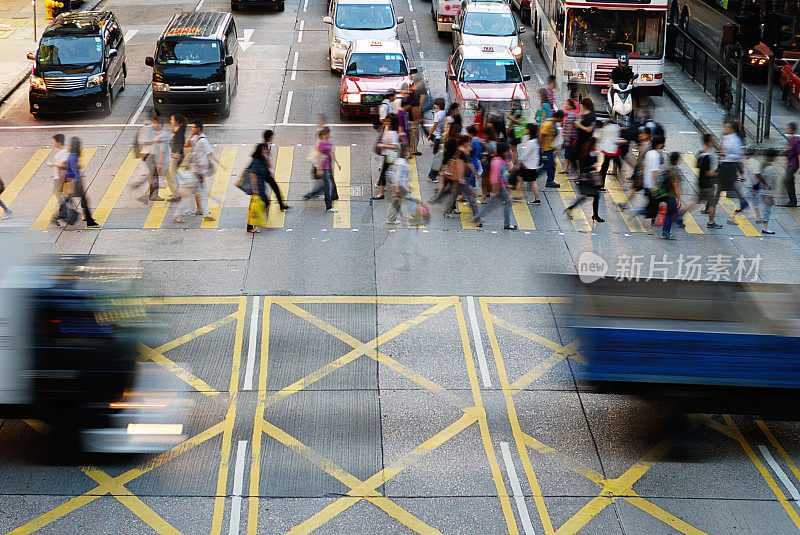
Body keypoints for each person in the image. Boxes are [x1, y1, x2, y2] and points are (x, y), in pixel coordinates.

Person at [678, 134, 722, 229]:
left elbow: (696, 165)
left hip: (700, 182)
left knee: (696, 201)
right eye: (712, 141)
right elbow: (708, 173)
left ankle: (680, 214)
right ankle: (711, 222)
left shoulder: (700, 153)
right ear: (709, 142)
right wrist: (717, 174)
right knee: (712, 203)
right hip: (707, 184)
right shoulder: (707, 157)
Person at [180, 120, 219, 222]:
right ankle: (199, 210)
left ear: (199, 128)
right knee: (196, 191)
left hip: (199, 171)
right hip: (194, 169)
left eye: (193, 127)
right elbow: (186, 144)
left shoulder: (203, 140)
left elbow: (210, 153)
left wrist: (220, 164)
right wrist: (190, 134)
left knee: (198, 190)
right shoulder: (195, 138)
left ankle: (202, 211)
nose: (192, 129)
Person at [472, 142, 518, 229]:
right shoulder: (496, 162)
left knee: (492, 205)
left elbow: (505, 174)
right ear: (502, 151)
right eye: (507, 151)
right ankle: (507, 224)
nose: (508, 152)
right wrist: (495, 189)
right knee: (507, 203)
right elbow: (494, 177)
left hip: (503, 186)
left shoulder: (503, 160)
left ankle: (477, 217)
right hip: (500, 187)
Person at [566, 137, 604, 223]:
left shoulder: (586, 153)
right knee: (593, 196)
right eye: (595, 144)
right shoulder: (589, 154)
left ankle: (571, 208)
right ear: (592, 145)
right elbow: (586, 166)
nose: (596, 146)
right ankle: (595, 215)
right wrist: (592, 168)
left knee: (590, 196)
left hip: (587, 178)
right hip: (589, 179)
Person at [63, 137, 98, 228]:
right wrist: (77, 176)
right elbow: (72, 170)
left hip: (74, 182)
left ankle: (86, 217)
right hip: (76, 183)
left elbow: (68, 166)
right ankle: (90, 222)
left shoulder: (72, 155)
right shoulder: (73, 156)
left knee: (81, 200)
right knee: (85, 201)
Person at [303, 127, 341, 212]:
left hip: (328, 166)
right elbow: (319, 157)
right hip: (323, 168)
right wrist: (319, 169)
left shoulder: (329, 141)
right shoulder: (321, 144)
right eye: (328, 134)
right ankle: (329, 206)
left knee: (327, 185)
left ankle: (321, 198)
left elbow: (331, 152)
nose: (329, 135)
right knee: (327, 186)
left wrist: (337, 162)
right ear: (325, 134)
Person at [717, 120, 747, 215]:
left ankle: (710, 206)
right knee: (727, 186)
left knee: (720, 186)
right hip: (724, 165)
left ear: (730, 129)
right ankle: (743, 202)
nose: (724, 129)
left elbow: (738, 155)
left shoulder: (735, 140)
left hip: (729, 166)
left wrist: (725, 155)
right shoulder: (725, 138)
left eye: (726, 127)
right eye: (724, 127)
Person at [619, 128, 651, 211]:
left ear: (647, 135)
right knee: (638, 189)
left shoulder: (648, 146)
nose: (640, 135)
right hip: (641, 171)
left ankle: (653, 210)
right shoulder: (644, 144)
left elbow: (647, 160)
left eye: (642, 134)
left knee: (641, 190)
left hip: (644, 172)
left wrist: (643, 172)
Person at [373, 114, 400, 200]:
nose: (386, 122)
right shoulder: (387, 129)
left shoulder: (393, 133)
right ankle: (382, 192)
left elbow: (394, 146)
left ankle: (381, 193)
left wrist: (383, 145)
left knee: (384, 174)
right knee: (385, 173)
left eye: (388, 121)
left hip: (389, 155)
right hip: (385, 154)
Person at [515, 123, 542, 204]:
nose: (525, 130)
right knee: (527, 180)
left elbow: (524, 155)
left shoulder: (531, 142)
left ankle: (518, 196)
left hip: (528, 165)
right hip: (533, 165)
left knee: (523, 179)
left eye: (526, 129)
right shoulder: (536, 141)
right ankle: (536, 199)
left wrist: (519, 161)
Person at [386, 144, 413, 224]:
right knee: (397, 201)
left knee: (397, 201)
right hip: (399, 186)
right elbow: (398, 176)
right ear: (404, 152)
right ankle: (391, 218)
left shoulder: (399, 160)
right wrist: (397, 188)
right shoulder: (401, 162)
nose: (409, 152)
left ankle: (393, 218)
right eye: (408, 151)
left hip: (400, 185)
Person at [659, 152, 683, 240]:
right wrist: (679, 199)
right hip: (671, 196)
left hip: (665, 194)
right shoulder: (674, 172)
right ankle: (666, 232)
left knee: (672, 212)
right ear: (676, 161)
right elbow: (675, 186)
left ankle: (677, 220)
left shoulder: (668, 168)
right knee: (670, 214)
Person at [538, 110, 564, 189]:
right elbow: (541, 136)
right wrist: (541, 148)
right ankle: (533, 176)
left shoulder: (552, 123)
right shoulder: (548, 124)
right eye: (562, 118)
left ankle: (550, 181)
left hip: (549, 148)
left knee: (551, 165)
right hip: (545, 150)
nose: (562, 120)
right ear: (559, 117)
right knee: (548, 165)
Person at [47, 133, 68, 223]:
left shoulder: (63, 152)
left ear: (59, 142)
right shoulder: (60, 151)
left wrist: (53, 164)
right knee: (57, 193)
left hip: (59, 177)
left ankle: (63, 212)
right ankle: (62, 211)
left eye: (54, 141)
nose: (53, 143)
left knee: (58, 193)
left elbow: (64, 165)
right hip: (57, 176)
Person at [165, 115, 186, 202]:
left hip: (177, 155)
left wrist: (178, 154)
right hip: (174, 154)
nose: (171, 121)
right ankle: (176, 192)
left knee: (171, 174)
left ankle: (176, 194)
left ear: (177, 121)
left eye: (172, 119)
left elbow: (181, 144)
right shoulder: (176, 130)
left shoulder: (180, 131)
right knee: (173, 174)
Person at [597, 119, 622, 190]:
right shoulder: (615, 128)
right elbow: (615, 140)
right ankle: (620, 173)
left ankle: (600, 185)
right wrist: (622, 141)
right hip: (613, 151)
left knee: (604, 168)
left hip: (607, 151)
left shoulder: (605, 129)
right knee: (617, 163)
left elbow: (601, 139)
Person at [759, 149, 779, 234]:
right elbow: (770, 183)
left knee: (766, 209)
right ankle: (765, 227)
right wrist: (772, 195)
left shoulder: (763, 165)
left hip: (762, 191)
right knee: (768, 210)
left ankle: (765, 226)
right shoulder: (770, 168)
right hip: (767, 192)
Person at [782, 121, 800, 207]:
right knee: (789, 181)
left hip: (794, 164)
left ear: (792, 130)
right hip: (790, 163)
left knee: (787, 180)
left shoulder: (796, 141)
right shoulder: (791, 140)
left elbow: (799, 154)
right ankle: (793, 201)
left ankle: (792, 201)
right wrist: (786, 150)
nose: (786, 129)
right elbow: (791, 150)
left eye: (788, 128)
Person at [562, 96, 579, 175]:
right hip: (570, 137)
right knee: (567, 153)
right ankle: (566, 168)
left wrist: (567, 139)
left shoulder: (571, 115)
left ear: (571, 106)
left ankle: (569, 169)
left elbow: (569, 128)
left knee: (568, 153)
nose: (566, 106)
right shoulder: (570, 114)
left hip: (570, 137)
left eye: (568, 104)